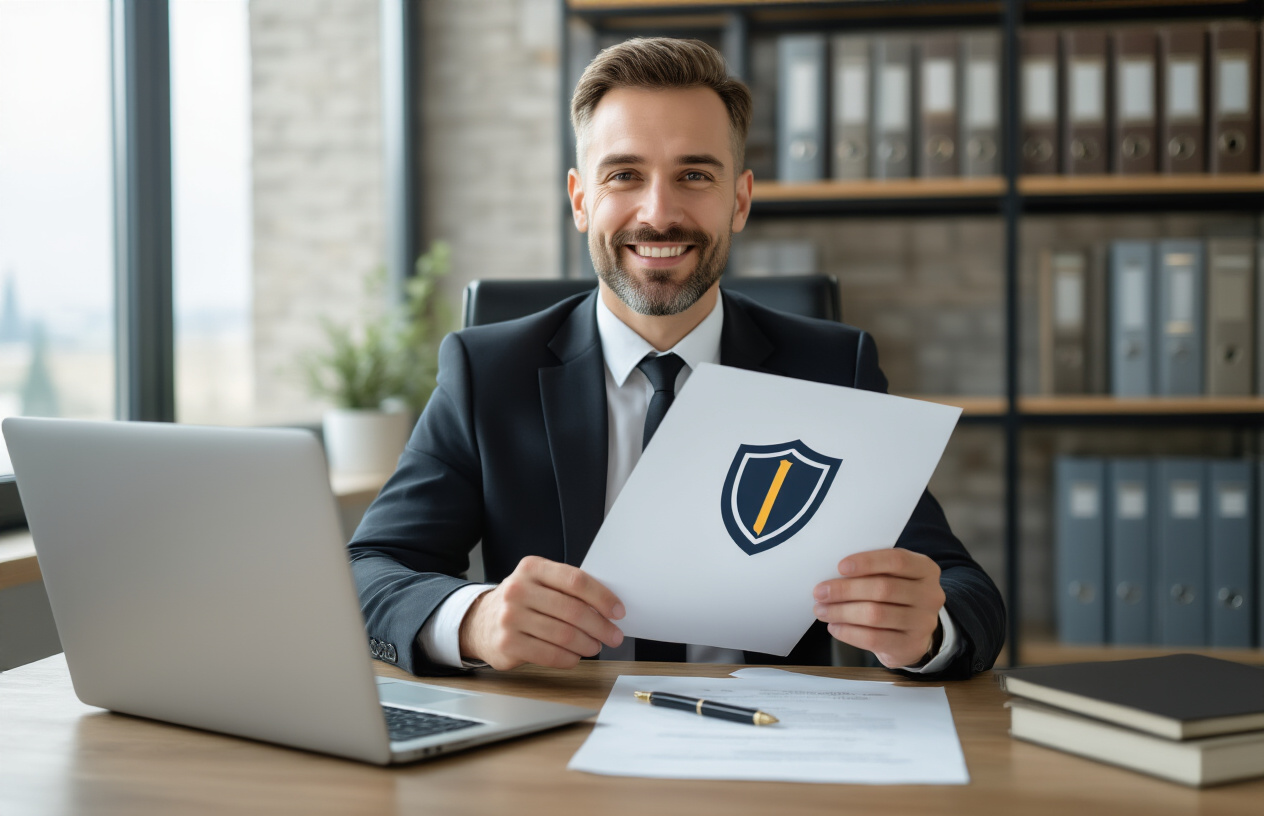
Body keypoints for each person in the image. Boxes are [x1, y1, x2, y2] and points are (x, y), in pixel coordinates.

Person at [348, 37, 1005, 680]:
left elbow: (967, 593)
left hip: (765, 740)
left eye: (694, 175)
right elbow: (368, 570)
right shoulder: (486, 373)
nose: (659, 214)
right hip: (553, 740)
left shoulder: (832, 367)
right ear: (581, 200)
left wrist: (927, 627)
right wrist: (474, 618)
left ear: (739, 201)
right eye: (625, 175)